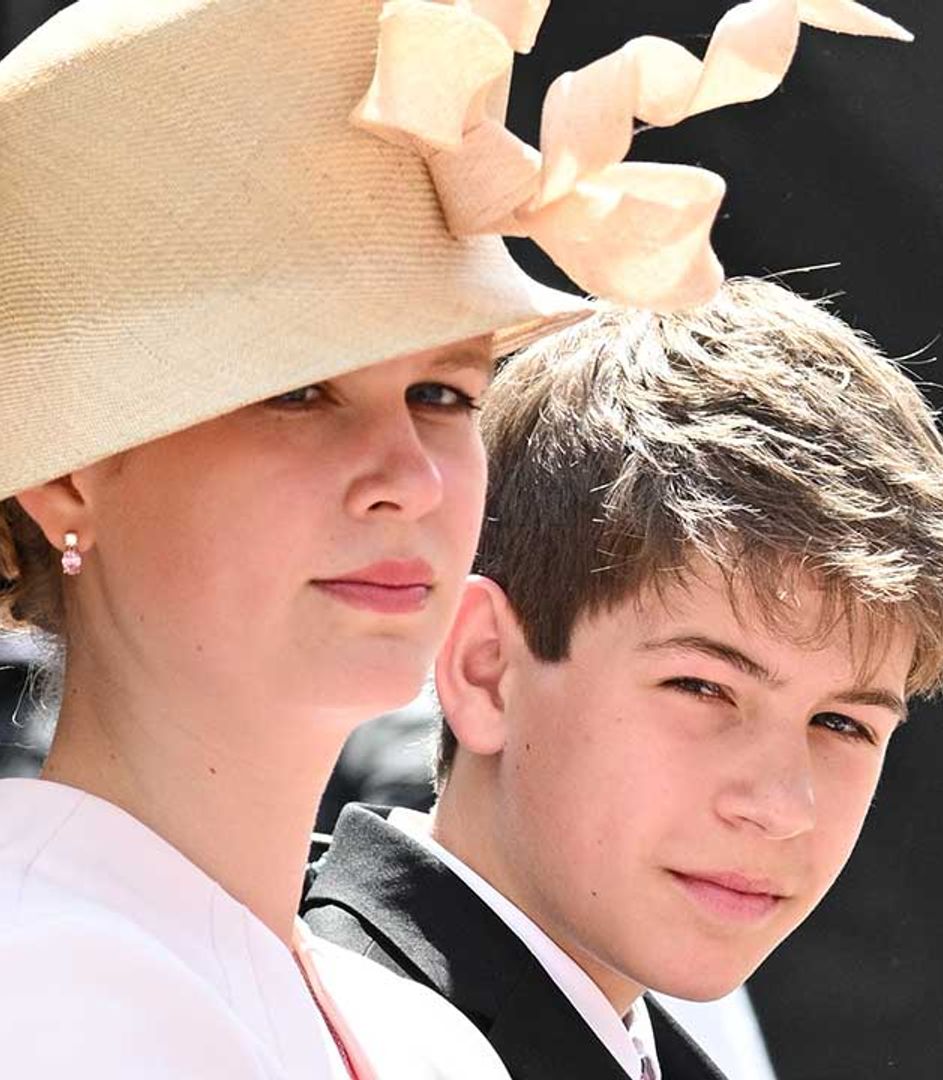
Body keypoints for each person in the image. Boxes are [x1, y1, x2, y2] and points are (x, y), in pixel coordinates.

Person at [0, 0, 744, 1074]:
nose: (407, 474)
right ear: (70, 477)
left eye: (443, 392)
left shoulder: (420, 1035)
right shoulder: (45, 991)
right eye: (298, 392)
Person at [303, 279, 943, 1080]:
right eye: (703, 687)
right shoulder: (315, 1040)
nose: (782, 806)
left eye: (843, 723)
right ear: (487, 668)